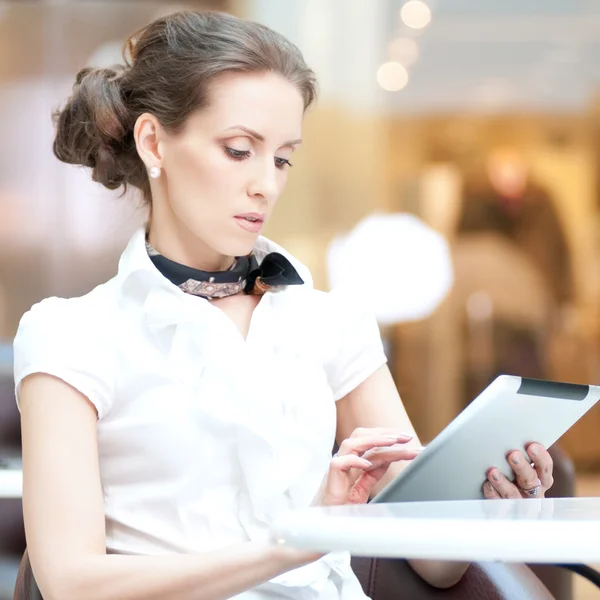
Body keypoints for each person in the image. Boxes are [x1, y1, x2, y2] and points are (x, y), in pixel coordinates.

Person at [14, 10, 555, 600]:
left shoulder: (331, 322)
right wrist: (298, 540)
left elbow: (436, 567)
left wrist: (484, 508)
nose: (266, 185)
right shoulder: (70, 335)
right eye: (239, 149)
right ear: (153, 142)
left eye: (282, 158)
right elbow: (72, 583)